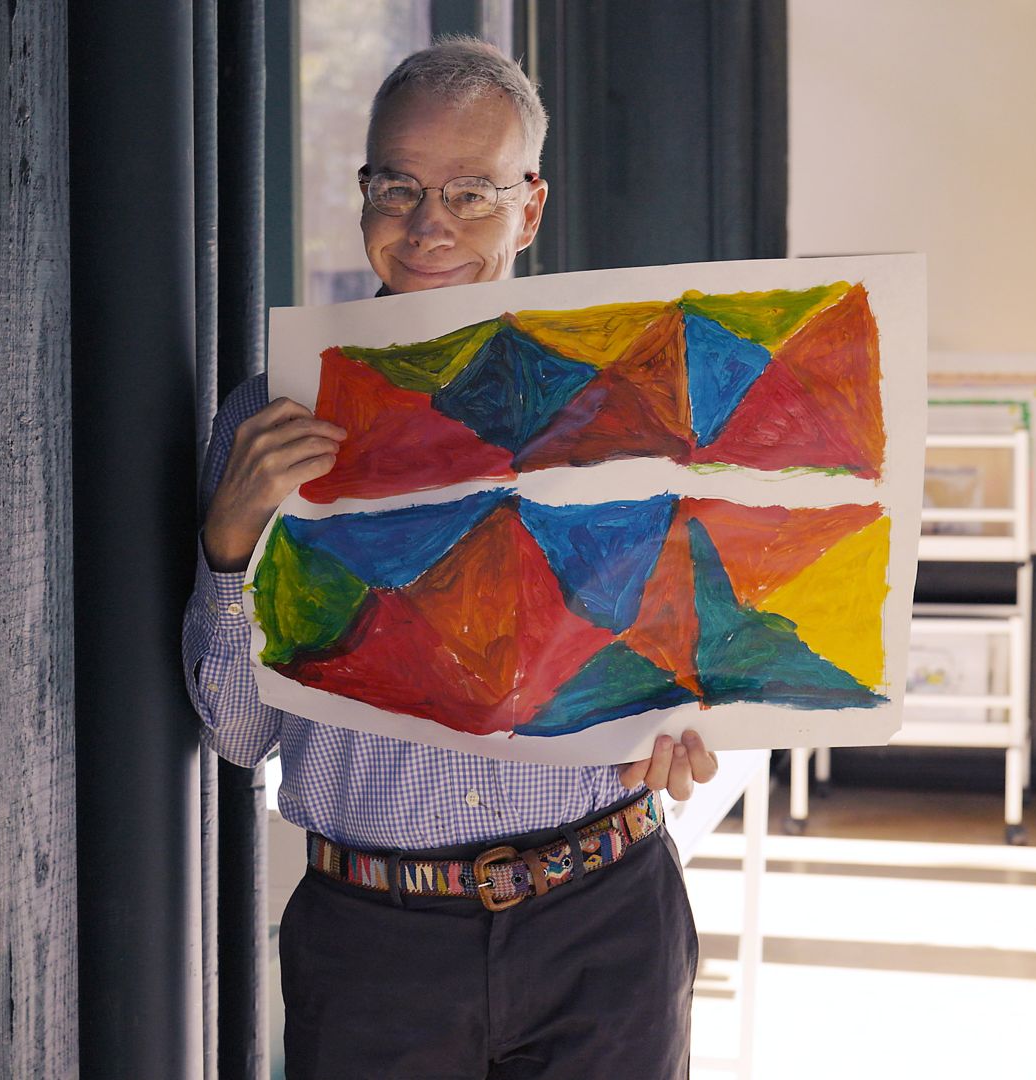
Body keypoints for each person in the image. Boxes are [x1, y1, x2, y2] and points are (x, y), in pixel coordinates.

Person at [182, 37, 719, 1079]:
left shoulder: (635, 402)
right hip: (373, 944)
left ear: (531, 206)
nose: (430, 224)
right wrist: (229, 546)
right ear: (364, 195)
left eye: (473, 191)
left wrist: (696, 718)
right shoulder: (270, 417)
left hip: (608, 920)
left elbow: (701, 650)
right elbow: (240, 734)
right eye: (400, 185)